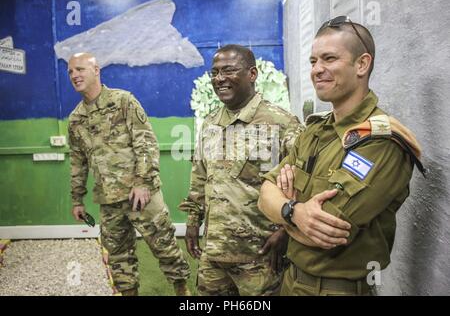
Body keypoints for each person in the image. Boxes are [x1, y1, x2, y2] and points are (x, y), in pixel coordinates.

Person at [258, 16, 424, 296]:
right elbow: (264, 194)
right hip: (291, 282)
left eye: (329, 58)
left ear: (362, 64)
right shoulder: (316, 130)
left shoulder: (380, 140)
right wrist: (294, 210)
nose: (317, 70)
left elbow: (325, 231)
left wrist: (285, 204)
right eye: (313, 61)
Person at [178, 44, 303, 295]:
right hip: (214, 255)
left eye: (229, 70)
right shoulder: (211, 123)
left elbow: (304, 182)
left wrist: (286, 230)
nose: (219, 79)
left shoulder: (282, 123)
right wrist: (193, 221)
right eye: (215, 72)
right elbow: (200, 176)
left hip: (260, 257)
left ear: (252, 74)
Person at [67, 52, 191, 296]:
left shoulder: (122, 101)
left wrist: (143, 182)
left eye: (80, 69)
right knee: (119, 257)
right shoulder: (75, 119)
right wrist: (77, 199)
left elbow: (145, 142)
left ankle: (183, 292)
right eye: (70, 71)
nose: (74, 75)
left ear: (96, 70)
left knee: (164, 246)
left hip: (140, 195)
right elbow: (78, 162)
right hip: (108, 200)